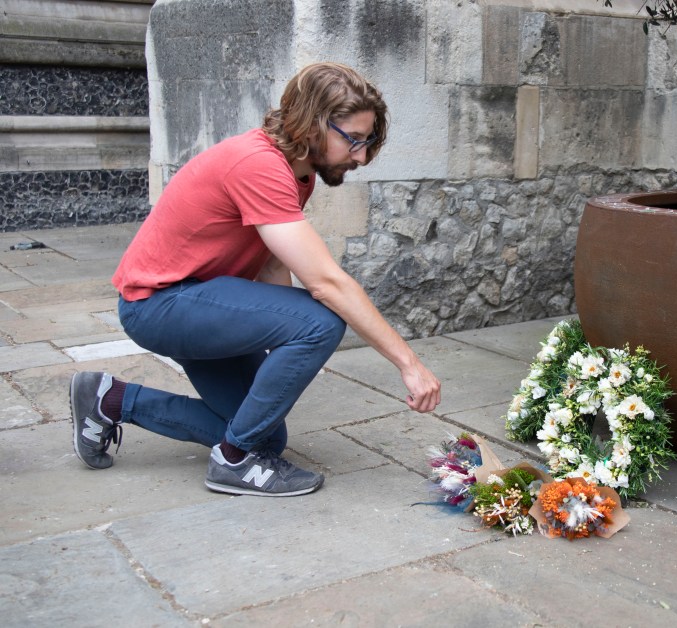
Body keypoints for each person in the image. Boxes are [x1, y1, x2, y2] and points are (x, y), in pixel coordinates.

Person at [69, 62, 441, 497]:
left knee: (263, 433)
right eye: (354, 140)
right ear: (312, 125)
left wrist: (277, 349)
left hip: (200, 300)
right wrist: (409, 366)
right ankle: (233, 461)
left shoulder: (297, 173)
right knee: (321, 320)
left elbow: (269, 267)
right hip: (160, 304)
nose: (360, 156)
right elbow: (325, 283)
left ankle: (109, 400)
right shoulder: (259, 165)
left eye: (369, 140)